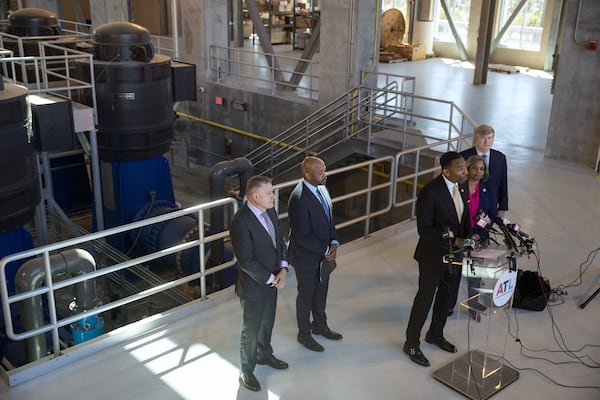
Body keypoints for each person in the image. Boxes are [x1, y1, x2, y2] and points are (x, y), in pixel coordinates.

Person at [404, 151, 471, 367]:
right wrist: (455, 241)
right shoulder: (430, 192)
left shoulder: (461, 187)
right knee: (425, 299)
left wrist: (471, 238)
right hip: (433, 256)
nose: (465, 171)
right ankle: (412, 343)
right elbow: (425, 230)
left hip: (455, 256)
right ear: (446, 171)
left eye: (464, 166)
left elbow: (464, 217)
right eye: (460, 168)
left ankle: (435, 334)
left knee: (446, 296)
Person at [230, 175, 289, 392]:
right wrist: (273, 278)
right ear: (255, 196)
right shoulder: (240, 222)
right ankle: (246, 370)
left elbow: (280, 242)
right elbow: (246, 261)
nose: (273, 197)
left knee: (268, 322)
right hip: (254, 287)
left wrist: (283, 268)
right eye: (269, 193)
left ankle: (264, 354)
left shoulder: (270, 211)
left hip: (274, 281)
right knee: (251, 330)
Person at [288, 156, 342, 352]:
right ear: (307, 174)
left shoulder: (322, 188)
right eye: (320, 172)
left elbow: (329, 219)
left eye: (324, 170)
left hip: (323, 254)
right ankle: (304, 334)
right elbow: (302, 237)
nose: (325, 175)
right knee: (306, 295)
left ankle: (320, 326)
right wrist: (326, 250)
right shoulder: (298, 198)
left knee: (321, 291)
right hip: (306, 258)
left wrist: (334, 242)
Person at [449, 155, 497, 321]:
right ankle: (449, 304)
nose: (478, 172)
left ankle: (473, 305)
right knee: (454, 272)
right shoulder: (458, 186)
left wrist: (478, 234)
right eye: (475, 168)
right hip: (460, 237)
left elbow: (491, 215)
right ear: (468, 169)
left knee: (475, 275)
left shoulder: (488, 188)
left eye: (482, 169)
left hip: (479, 238)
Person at [461, 124, 508, 218]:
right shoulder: (463, 156)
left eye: (489, 138)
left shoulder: (500, 157)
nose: (486, 141)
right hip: (468, 202)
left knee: (485, 229)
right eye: (482, 138)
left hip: (491, 203)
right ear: (475, 139)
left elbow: (503, 182)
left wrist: (503, 206)